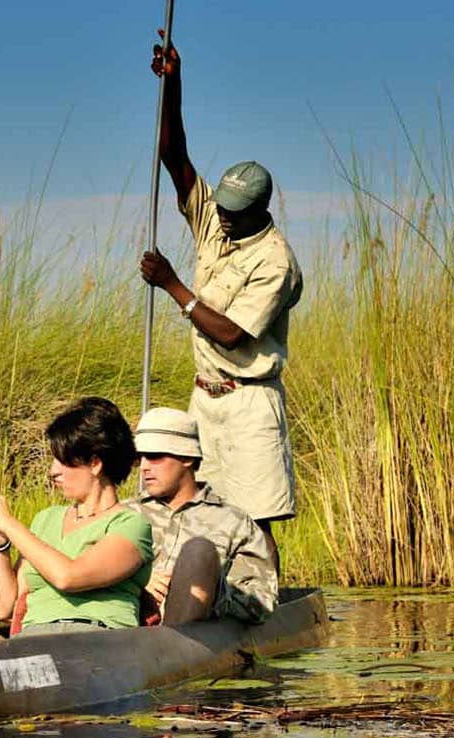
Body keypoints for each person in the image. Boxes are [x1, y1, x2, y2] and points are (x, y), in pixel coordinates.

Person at [138, 32, 304, 570]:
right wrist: (173, 84)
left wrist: (172, 285)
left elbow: (233, 332)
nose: (223, 216)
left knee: (253, 520)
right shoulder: (216, 222)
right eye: (222, 206)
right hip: (203, 399)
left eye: (235, 210)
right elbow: (174, 157)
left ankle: (266, 604)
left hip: (250, 399)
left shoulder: (275, 260)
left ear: (261, 208)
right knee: (195, 509)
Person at [0, 397, 154, 635]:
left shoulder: (130, 525)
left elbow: (68, 577)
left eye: (63, 461)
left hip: (98, 641)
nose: (53, 472)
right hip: (35, 640)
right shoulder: (46, 519)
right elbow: (5, 608)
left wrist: (9, 523)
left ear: (94, 464)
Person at [127, 407, 277, 624]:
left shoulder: (233, 522)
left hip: (193, 642)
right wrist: (138, 582)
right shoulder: (124, 514)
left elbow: (263, 603)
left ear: (187, 457)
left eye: (153, 456)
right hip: (125, 636)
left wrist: (208, 591)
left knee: (199, 553)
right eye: (138, 458)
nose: (144, 467)